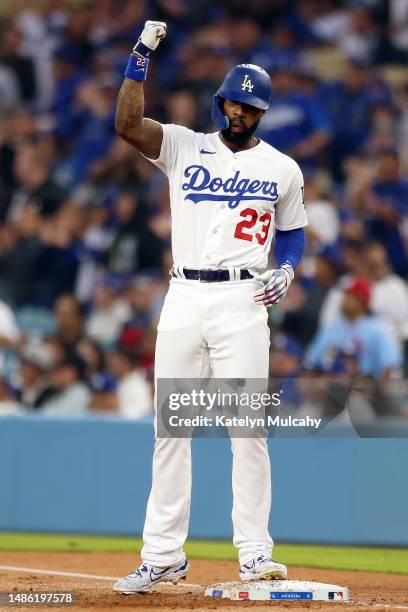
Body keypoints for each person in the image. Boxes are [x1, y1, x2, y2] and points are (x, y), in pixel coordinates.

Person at [113, 20, 307, 594]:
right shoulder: (183, 144)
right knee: (171, 428)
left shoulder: (282, 168)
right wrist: (140, 55)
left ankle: (255, 553)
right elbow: (126, 124)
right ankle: (163, 555)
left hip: (243, 299)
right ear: (220, 101)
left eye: (250, 106)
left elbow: (292, 232)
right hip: (185, 296)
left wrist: (288, 268)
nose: (239, 112)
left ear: (262, 111)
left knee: (247, 430)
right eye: (233, 101)